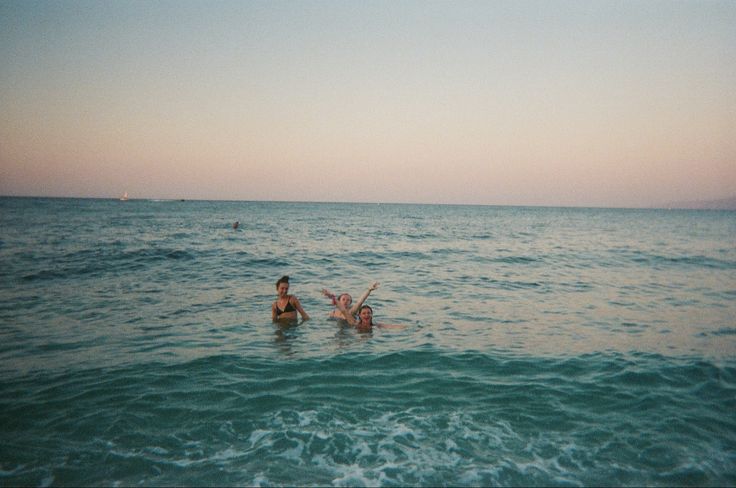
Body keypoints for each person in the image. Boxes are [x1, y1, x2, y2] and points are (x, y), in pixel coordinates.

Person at [334, 302, 403, 331]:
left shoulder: (376, 326)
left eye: (368, 313)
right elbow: (343, 311)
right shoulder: (354, 323)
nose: (367, 315)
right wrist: (333, 298)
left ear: (372, 314)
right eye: (364, 313)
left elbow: (391, 326)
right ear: (359, 315)